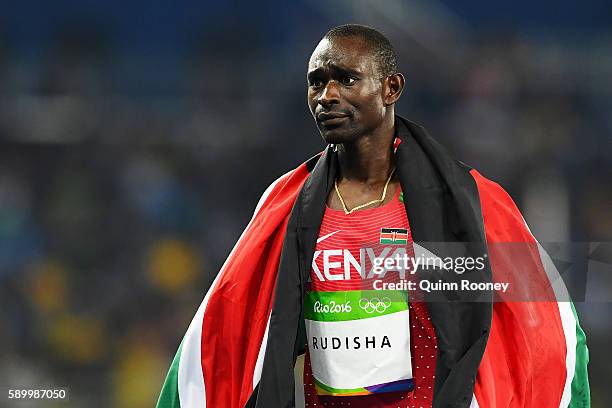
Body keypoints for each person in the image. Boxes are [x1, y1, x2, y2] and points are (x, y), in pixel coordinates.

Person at [156, 24, 590, 408]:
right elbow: (230, 326)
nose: (327, 95)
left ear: (391, 87)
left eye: (346, 79)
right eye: (316, 82)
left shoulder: (467, 203)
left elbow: (541, 325)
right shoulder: (287, 206)